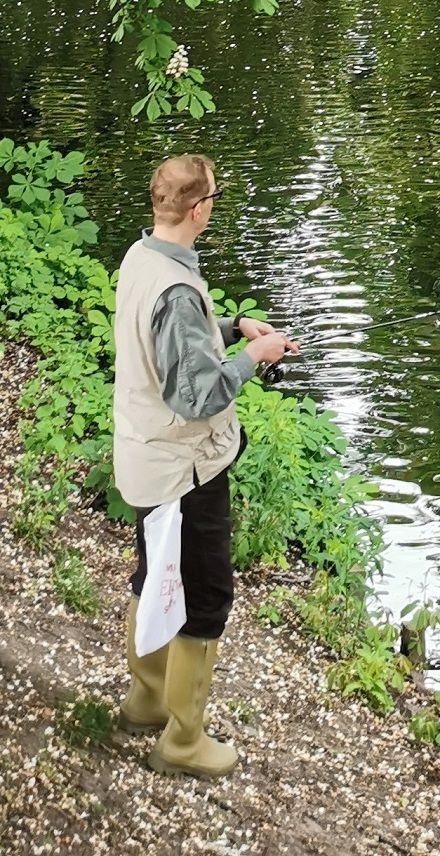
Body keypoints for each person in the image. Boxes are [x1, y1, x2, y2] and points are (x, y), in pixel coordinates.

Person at [112, 153, 296, 779]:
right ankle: (184, 740)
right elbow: (199, 394)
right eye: (213, 197)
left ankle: (144, 701)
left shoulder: (142, 258)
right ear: (200, 209)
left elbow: (169, 338)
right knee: (205, 595)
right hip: (184, 473)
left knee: (154, 573)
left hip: (144, 461)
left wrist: (232, 324)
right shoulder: (175, 290)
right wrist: (257, 356)